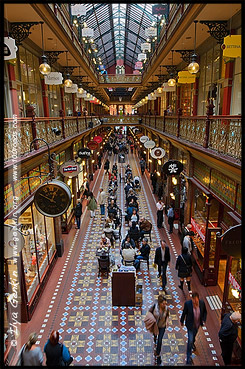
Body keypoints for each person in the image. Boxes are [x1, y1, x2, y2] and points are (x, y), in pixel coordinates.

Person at [180, 292, 207, 365]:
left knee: (193, 337)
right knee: (190, 340)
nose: (195, 302)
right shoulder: (188, 304)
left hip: (197, 325)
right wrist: (181, 321)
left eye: (196, 301)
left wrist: (204, 320)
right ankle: (188, 358)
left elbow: (205, 312)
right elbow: (184, 313)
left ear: (198, 299)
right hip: (190, 325)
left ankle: (192, 344)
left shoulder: (202, 303)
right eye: (193, 300)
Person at [148, 295, 169, 365]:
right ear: (160, 303)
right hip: (155, 325)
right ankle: (154, 336)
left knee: (160, 340)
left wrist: (166, 322)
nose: (164, 305)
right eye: (163, 303)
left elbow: (167, 315)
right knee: (155, 334)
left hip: (162, 326)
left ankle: (157, 352)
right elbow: (149, 312)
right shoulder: (155, 307)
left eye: (165, 303)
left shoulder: (166, 308)